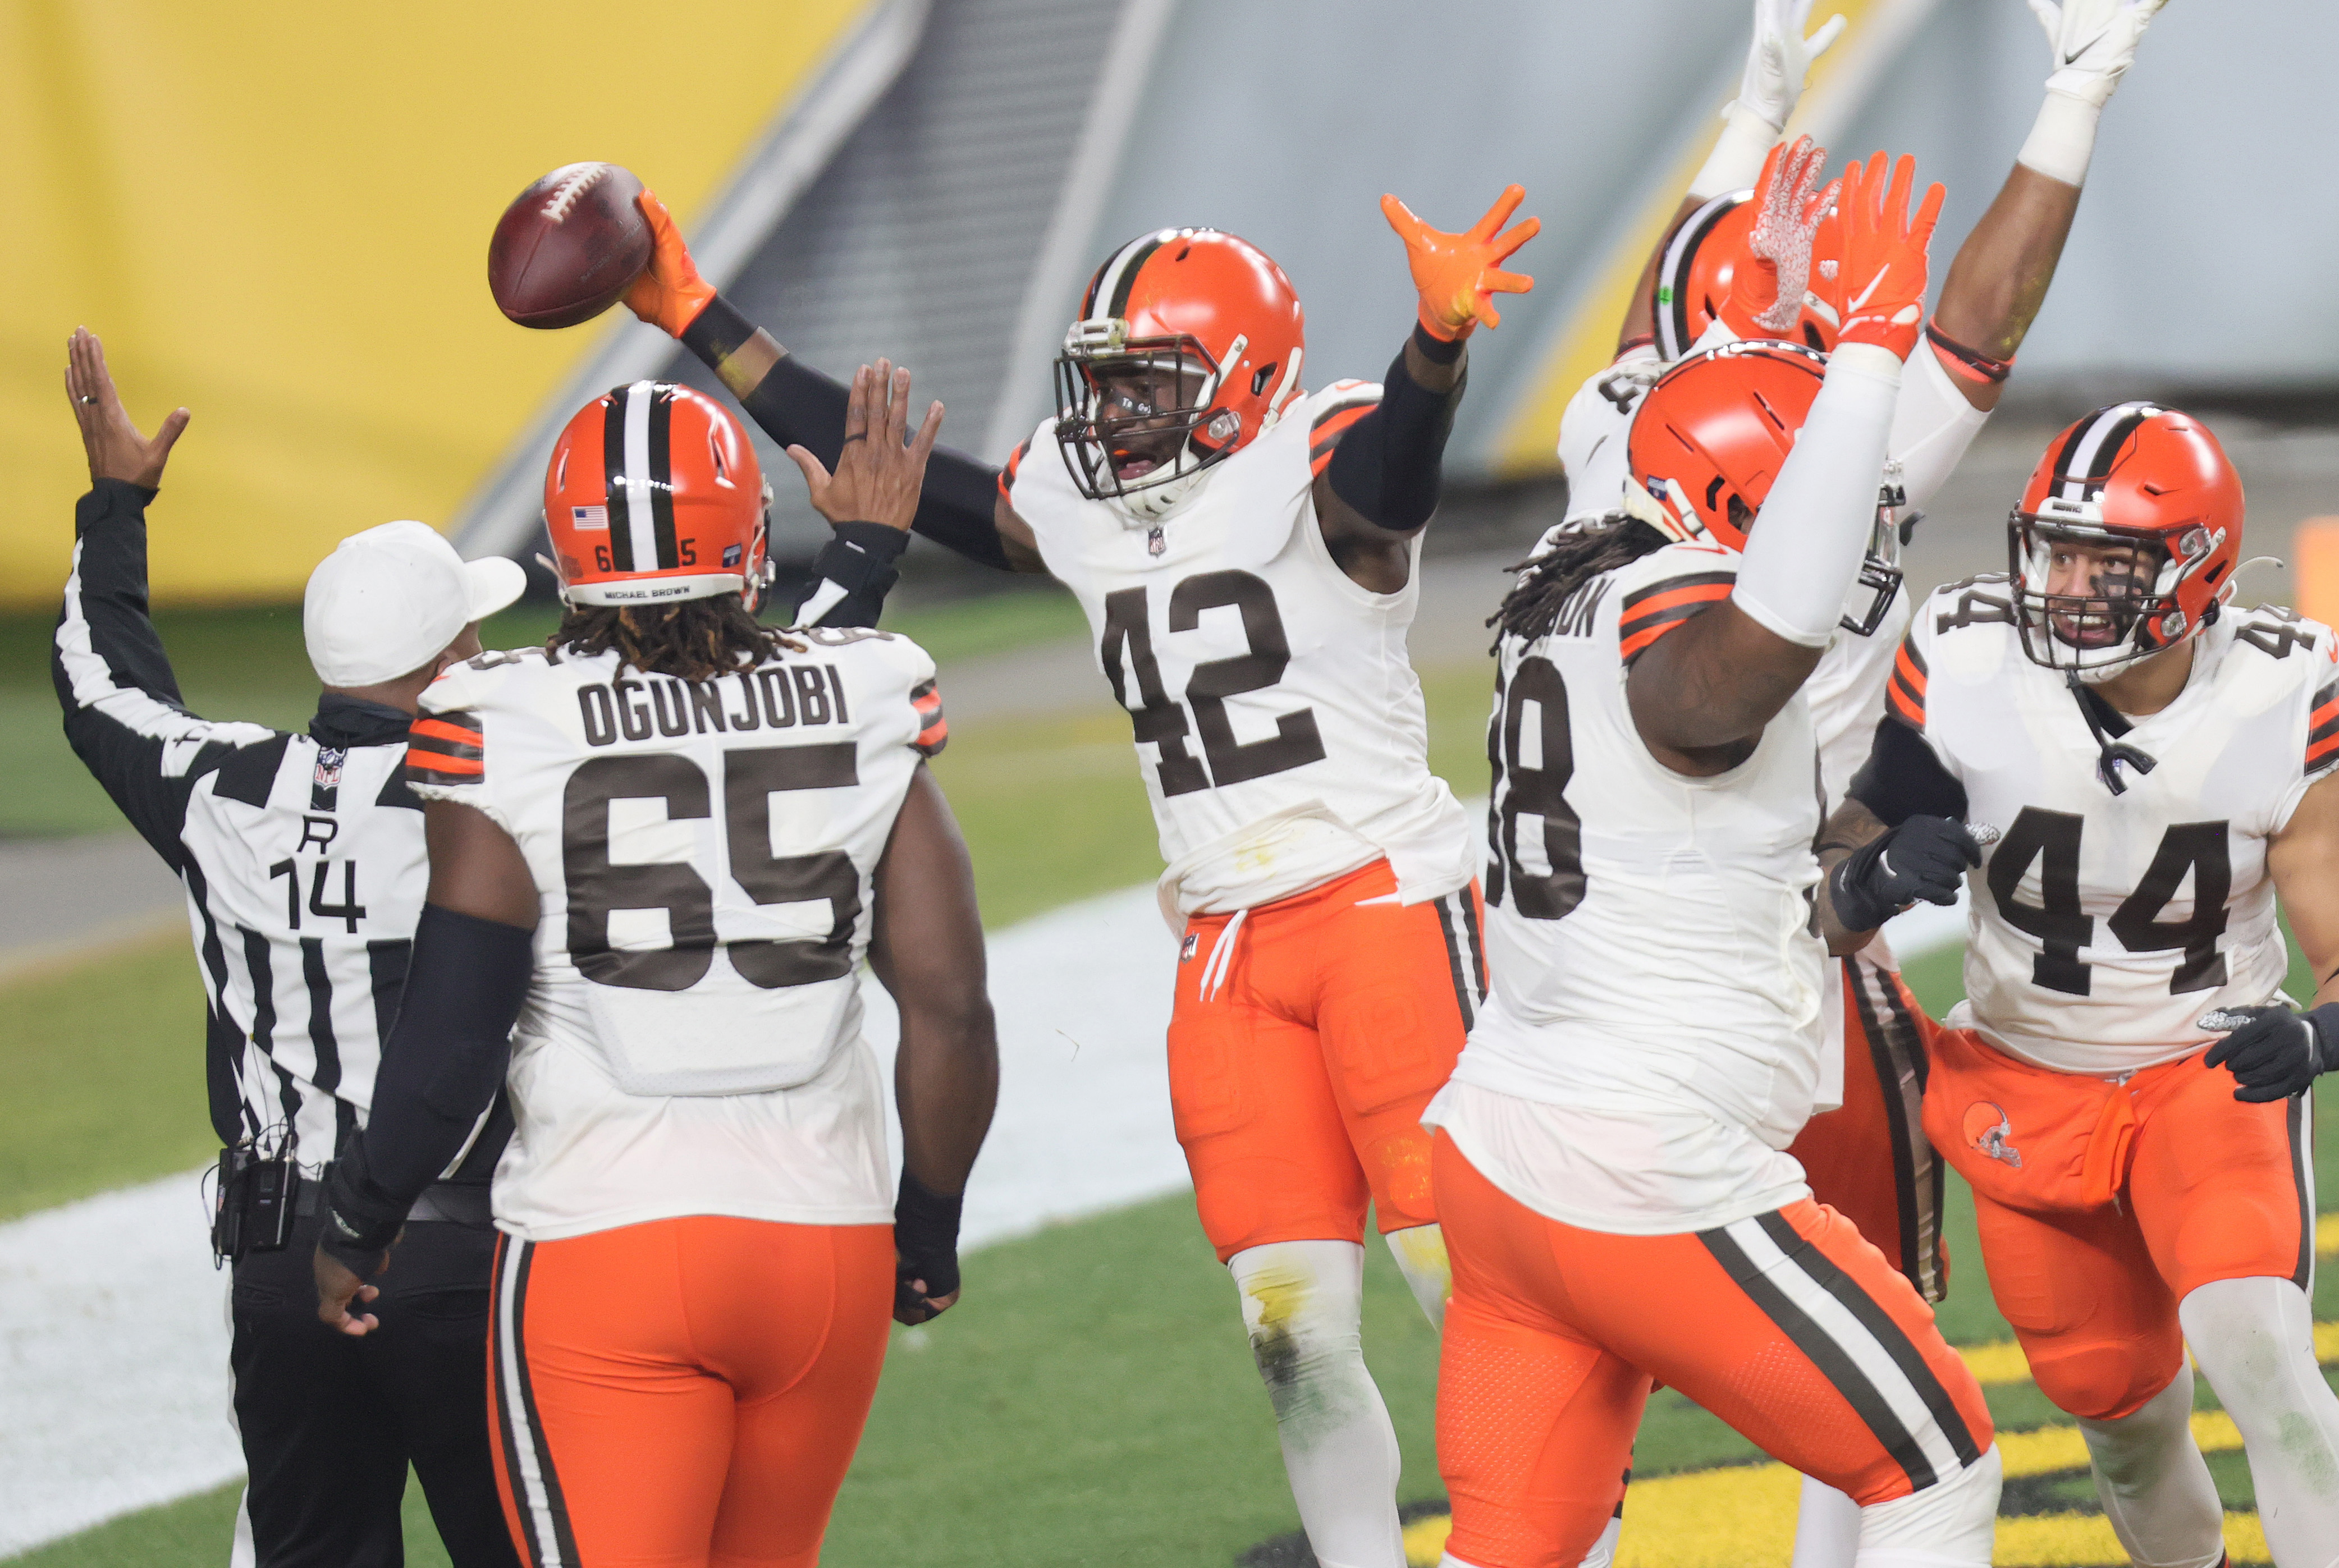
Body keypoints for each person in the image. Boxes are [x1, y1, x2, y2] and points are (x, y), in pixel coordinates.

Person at [607, 184, 1536, 1567]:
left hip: (1382, 903)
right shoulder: (1088, 508)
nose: (1110, 419)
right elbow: (893, 473)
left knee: (1466, 1277)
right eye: (1101, 387)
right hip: (1225, 946)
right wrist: (695, 318)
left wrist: (1436, 345)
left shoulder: (1320, 458)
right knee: (1290, 1323)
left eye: (1145, 386)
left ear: (1241, 382)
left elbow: (1392, 475)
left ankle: (1557, 1530)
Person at [1548, 0, 2180, 1557]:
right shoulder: (1732, 425)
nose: (1804, 312)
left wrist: (1754, 128)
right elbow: (1970, 317)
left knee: (1812, 1329)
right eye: (1774, 296)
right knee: (1817, 1336)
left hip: (1696, 938)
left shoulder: (1664, 415)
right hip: (1705, 933)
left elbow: (1961, 317)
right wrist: (2071, 108)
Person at [311, 366, 997, 1568]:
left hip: (606, 1239)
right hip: (822, 1244)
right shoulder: (869, 686)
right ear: (750, 539)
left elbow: (452, 1038)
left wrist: (359, 1222)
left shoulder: (500, 717)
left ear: (567, 551)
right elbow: (948, 1008)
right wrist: (927, 1228)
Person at [1429, 152, 2003, 1568]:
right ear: (1750, 509)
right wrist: (1867, 359)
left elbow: (1701, 865)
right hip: (1645, 1165)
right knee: (1937, 1465)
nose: (1860, 525)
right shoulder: (1685, 618)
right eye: (1824, 494)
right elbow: (1724, 680)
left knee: (1515, 1553)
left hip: (1504, 1161)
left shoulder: (1575, 565)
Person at [1833, 405, 2339, 1568]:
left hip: (2205, 1072)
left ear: (2197, 569)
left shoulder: (2279, 691)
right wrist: (1876, 873)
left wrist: (2324, 1038)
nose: (2070, 586)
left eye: (2111, 561)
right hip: (2021, 1084)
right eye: (2058, 551)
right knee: (2122, 1422)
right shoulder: (1967, 655)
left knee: (2260, 1353)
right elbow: (1824, 889)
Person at [52, 328, 525, 1566]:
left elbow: (99, 687)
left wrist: (117, 506)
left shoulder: (223, 792)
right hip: (460, 1247)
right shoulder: (502, 783)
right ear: (444, 659)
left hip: (275, 1259)